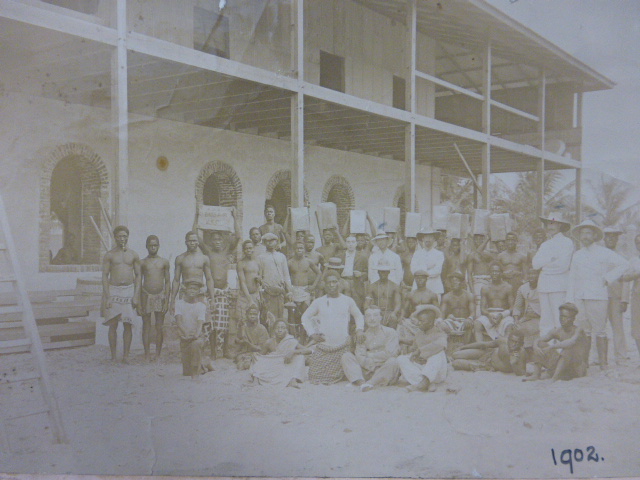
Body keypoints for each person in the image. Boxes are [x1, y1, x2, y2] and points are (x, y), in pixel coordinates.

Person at [566, 220, 628, 369]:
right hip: (580, 297)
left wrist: (607, 278)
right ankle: (585, 362)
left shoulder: (604, 252)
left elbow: (624, 264)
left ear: (594, 235)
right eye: (582, 233)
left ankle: (603, 363)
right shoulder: (577, 255)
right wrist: (570, 299)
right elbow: (572, 277)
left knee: (600, 330)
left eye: (588, 233)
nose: (585, 236)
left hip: (598, 297)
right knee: (585, 330)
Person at [193, 206, 241, 359]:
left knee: (224, 323)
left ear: (223, 241)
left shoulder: (227, 251)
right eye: (214, 239)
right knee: (212, 323)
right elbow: (196, 236)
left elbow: (238, 236)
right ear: (211, 242)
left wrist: (234, 217)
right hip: (211, 292)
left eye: (220, 239)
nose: (217, 242)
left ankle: (225, 350)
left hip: (224, 291)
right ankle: (213, 351)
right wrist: (197, 215)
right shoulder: (208, 252)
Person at [301, 271, 364, 384]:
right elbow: (305, 317)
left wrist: (359, 330)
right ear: (324, 284)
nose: (331, 285)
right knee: (314, 375)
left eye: (334, 282)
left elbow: (358, 315)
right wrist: (312, 333)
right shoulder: (319, 302)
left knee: (346, 366)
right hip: (324, 346)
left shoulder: (347, 300)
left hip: (342, 346)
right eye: (329, 282)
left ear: (339, 283)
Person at [169, 231, 216, 359]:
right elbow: (176, 280)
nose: (193, 243)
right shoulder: (180, 258)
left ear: (198, 242)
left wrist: (212, 298)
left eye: (195, 240)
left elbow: (209, 279)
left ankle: (201, 353)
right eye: (190, 240)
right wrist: (172, 299)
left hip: (200, 292)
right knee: (185, 322)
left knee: (203, 322)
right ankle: (186, 353)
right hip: (185, 292)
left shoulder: (204, 258)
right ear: (186, 242)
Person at [101, 226, 140, 363]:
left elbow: (138, 275)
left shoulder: (133, 254)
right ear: (115, 237)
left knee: (127, 324)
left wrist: (136, 295)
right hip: (114, 290)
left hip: (128, 290)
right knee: (113, 324)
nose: (122, 239)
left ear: (127, 237)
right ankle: (113, 356)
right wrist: (108, 296)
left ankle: (126, 355)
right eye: (119, 236)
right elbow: (105, 276)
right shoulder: (109, 255)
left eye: (124, 236)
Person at [531, 213, 574, 336]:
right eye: (548, 223)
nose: (550, 226)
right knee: (545, 320)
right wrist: (551, 259)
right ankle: (546, 348)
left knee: (559, 318)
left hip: (559, 285)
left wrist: (546, 265)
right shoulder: (545, 244)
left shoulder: (567, 242)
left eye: (553, 223)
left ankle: (559, 350)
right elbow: (535, 264)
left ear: (559, 225)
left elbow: (562, 266)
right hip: (544, 286)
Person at [342, 306, 400, 391]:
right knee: (346, 356)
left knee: (393, 361)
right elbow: (360, 356)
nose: (372, 319)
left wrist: (370, 355)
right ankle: (362, 382)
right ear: (365, 318)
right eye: (368, 316)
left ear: (381, 317)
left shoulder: (390, 332)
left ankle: (370, 383)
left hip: (383, 369)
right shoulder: (362, 335)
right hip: (367, 369)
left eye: (375, 315)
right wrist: (372, 366)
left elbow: (390, 354)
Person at [393, 303, 448, 392]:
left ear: (430, 322)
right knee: (401, 359)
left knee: (438, 353)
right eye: (418, 320)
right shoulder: (419, 333)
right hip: (421, 369)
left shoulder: (439, 332)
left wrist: (420, 352)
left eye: (422, 321)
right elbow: (414, 348)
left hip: (436, 372)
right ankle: (426, 383)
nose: (418, 323)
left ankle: (422, 383)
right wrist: (412, 353)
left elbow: (441, 345)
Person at [528, 302, 588, 381]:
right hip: (563, 366)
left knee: (567, 349)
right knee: (540, 344)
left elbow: (570, 342)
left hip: (576, 368)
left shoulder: (578, 330)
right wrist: (535, 346)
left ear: (573, 318)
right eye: (561, 316)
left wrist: (551, 347)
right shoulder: (558, 330)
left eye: (566, 317)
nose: (562, 319)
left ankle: (554, 378)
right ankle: (536, 374)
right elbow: (539, 339)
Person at [137, 235, 170, 361]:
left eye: (155, 245)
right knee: (146, 325)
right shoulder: (142, 262)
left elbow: (167, 282)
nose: (153, 247)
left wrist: (166, 300)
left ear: (159, 246)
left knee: (159, 326)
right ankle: (146, 354)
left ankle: (157, 354)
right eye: (150, 245)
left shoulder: (164, 262)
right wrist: (139, 301)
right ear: (146, 246)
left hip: (160, 296)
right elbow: (139, 282)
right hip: (146, 295)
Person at [250, 320, 313, 388]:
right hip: (274, 365)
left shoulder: (291, 340)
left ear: (286, 330)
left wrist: (293, 352)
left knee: (300, 357)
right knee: (256, 357)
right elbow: (261, 356)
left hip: (286, 364)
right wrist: (255, 356)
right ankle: (255, 381)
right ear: (273, 330)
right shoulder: (269, 342)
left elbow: (309, 350)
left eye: (283, 328)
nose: (280, 330)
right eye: (277, 328)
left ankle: (292, 380)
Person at [603, 227, 630, 365]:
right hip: (600, 296)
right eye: (608, 237)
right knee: (599, 328)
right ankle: (598, 358)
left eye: (614, 237)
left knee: (618, 327)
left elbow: (625, 279)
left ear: (617, 239)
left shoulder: (622, 257)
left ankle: (621, 356)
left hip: (615, 297)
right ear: (604, 239)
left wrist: (624, 299)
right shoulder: (599, 255)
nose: (611, 239)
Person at [175, 280, 212, 380]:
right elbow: (178, 322)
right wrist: (185, 333)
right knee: (186, 372)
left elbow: (200, 324)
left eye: (195, 289)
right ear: (185, 290)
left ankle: (195, 374)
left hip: (197, 337)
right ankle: (205, 364)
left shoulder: (201, 306)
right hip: (185, 336)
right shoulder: (179, 304)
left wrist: (195, 335)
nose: (192, 291)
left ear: (198, 291)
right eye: (190, 288)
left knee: (196, 345)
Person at [257, 232, 293, 329]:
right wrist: (262, 289)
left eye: (272, 241)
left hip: (280, 292)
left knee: (280, 318)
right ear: (264, 243)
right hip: (267, 292)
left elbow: (286, 275)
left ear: (276, 242)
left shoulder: (281, 256)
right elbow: (259, 276)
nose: (270, 243)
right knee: (268, 318)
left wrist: (289, 291)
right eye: (267, 241)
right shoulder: (261, 257)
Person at [451, 328, 526, 375]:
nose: (514, 344)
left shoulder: (521, 353)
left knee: (456, 363)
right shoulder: (502, 341)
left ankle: (474, 365)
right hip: (487, 353)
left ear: (521, 344)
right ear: (508, 339)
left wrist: (513, 363)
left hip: (487, 366)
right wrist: (463, 347)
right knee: (455, 354)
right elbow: (484, 344)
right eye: (512, 341)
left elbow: (521, 373)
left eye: (517, 342)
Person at [474, 263, 515, 342]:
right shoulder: (485, 288)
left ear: (501, 273)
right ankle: (481, 347)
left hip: (503, 314)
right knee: (477, 324)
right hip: (490, 314)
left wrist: (502, 315)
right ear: (489, 273)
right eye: (492, 271)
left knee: (510, 325)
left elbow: (512, 308)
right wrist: (489, 315)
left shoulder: (508, 287)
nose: (494, 273)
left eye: (497, 271)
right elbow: (482, 309)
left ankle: (505, 347)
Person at [288, 241, 322, 323]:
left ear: (304, 249)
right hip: (294, 290)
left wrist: (313, 286)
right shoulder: (290, 262)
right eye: (297, 248)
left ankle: (303, 334)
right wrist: (289, 290)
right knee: (293, 314)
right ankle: (294, 333)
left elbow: (319, 273)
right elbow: (286, 276)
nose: (299, 250)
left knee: (305, 314)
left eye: (301, 248)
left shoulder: (308, 261)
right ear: (294, 250)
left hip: (305, 290)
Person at [512, 269, 542, 359]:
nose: (531, 276)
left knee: (529, 329)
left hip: (540, 318)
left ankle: (532, 356)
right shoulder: (523, 288)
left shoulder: (543, 287)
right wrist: (516, 320)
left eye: (534, 274)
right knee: (513, 328)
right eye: (529, 274)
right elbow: (517, 306)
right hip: (526, 318)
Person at [364, 258, 401, 328]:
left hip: (389, 312)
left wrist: (394, 313)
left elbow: (398, 303)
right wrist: (369, 311)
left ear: (388, 272)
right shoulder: (372, 286)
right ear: (378, 272)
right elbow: (367, 302)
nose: (382, 274)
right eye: (381, 271)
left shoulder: (394, 286)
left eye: (385, 271)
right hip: (376, 312)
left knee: (393, 319)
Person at [439, 271, 475, 341]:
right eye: (452, 282)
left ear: (461, 283)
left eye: (456, 281)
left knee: (469, 324)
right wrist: (442, 320)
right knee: (441, 325)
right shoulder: (446, 297)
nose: (454, 284)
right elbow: (442, 313)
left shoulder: (469, 295)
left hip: (465, 320)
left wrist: (470, 318)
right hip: (452, 321)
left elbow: (473, 312)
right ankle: (448, 344)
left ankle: (465, 345)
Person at [410, 227, 445, 297]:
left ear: (434, 239)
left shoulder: (439, 254)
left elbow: (437, 270)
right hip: (418, 286)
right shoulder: (417, 253)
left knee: (434, 307)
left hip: (434, 287)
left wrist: (423, 272)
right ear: (422, 239)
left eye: (430, 237)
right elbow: (413, 269)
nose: (428, 239)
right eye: (426, 237)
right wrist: (428, 270)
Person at [337, 234, 369, 310]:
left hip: (356, 283)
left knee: (356, 306)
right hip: (343, 281)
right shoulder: (340, 256)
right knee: (342, 305)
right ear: (345, 243)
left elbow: (368, 273)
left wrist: (361, 274)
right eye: (348, 242)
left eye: (353, 242)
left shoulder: (363, 256)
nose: (350, 244)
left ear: (356, 243)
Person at [234, 304, 270, 370]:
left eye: (255, 314)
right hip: (246, 353)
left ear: (258, 316)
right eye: (250, 314)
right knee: (239, 359)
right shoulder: (244, 327)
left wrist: (248, 343)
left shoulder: (262, 328)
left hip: (258, 352)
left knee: (259, 358)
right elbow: (238, 342)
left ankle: (250, 362)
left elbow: (261, 349)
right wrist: (240, 328)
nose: (252, 316)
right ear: (246, 315)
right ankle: (248, 362)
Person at [622, 234, 640, 361]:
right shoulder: (634, 260)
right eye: (638, 243)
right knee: (637, 328)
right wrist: (637, 274)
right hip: (637, 296)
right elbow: (625, 277)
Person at [467, 233, 495, 316]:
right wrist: (472, 290)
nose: (478, 241)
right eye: (476, 239)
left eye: (480, 239)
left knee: (489, 302)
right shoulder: (471, 255)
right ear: (474, 241)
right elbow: (469, 274)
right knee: (478, 304)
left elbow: (480, 252)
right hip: (477, 281)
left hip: (489, 281)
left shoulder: (488, 254)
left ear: (483, 240)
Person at [497, 232, 528, 296]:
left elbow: (525, 273)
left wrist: (517, 274)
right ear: (505, 242)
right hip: (504, 282)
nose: (510, 242)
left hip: (517, 282)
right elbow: (497, 272)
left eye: (512, 240)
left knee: (517, 303)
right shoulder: (500, 256)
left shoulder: (522, 256)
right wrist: (504, 274)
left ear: (516, 241)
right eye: (508, 240)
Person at [237, 240, 262, 316]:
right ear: (244, 250)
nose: (248, 250)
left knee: (255, 320)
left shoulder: (258, 261)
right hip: (244, 297)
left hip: (255, 296)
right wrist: (249, 299)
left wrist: (259, 279)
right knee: (243, 320)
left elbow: (261, 277)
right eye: (246, 248)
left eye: (250, 248)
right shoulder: (241, 263)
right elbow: (242, 282)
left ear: (253, 249)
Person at [399, 235, 418, 299]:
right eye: (409, 242)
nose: (411, 244)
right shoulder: (404, 255)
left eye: (412, 242)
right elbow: (400, 269)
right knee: (405, 302)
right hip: (405, 284)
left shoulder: (420, 254)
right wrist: (401, 281)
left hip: (417, 284)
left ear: (416, 242)